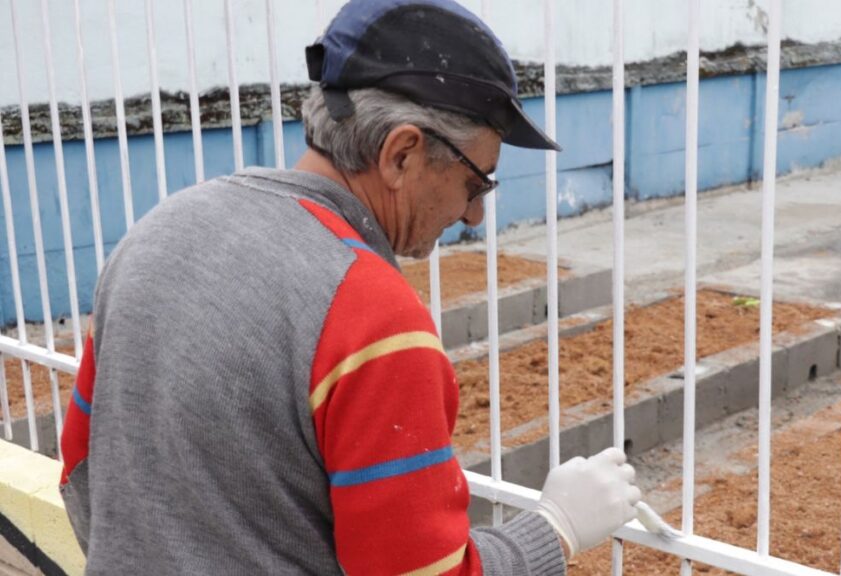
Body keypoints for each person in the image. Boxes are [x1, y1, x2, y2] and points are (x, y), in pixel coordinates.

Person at [58, 0, 641, 573]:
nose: (474, 216)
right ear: (402, 154)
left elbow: (81, 472)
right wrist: (554, 528)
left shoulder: (154, 235)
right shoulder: (372, 316)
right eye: (476, 182)